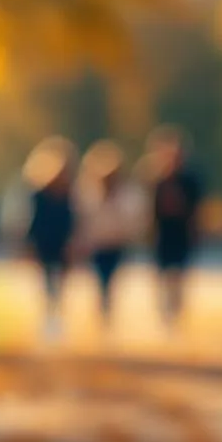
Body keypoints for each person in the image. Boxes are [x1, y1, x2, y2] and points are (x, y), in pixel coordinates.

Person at [1, 135, 77, 343]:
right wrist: (27, 244)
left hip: (62, 243)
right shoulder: (38, 194)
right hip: (44, 243)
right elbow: (30, 221)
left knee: (60, 282)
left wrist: (74, 242)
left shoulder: (70, 193)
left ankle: (56, 314)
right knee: (47, 281)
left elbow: (73, 220)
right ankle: (50, 317)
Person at [76, 140, 146, 329]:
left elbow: (134, 217)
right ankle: (103, 309)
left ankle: (107, 308)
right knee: (101, 278)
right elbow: (83, 217)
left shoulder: (127, 193)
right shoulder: (88, 191)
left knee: (112, 278)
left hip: (117, 243)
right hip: (98, 244)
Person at [146, 126, 203, 331]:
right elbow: (147, 209)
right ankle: (165, 311)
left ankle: (175, 309)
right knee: (162, 273)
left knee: (178, 274)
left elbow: (197, 208)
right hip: (162, 233)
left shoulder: (190, 180)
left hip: (182, 233)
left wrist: (196, 230)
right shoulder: (154, 179)